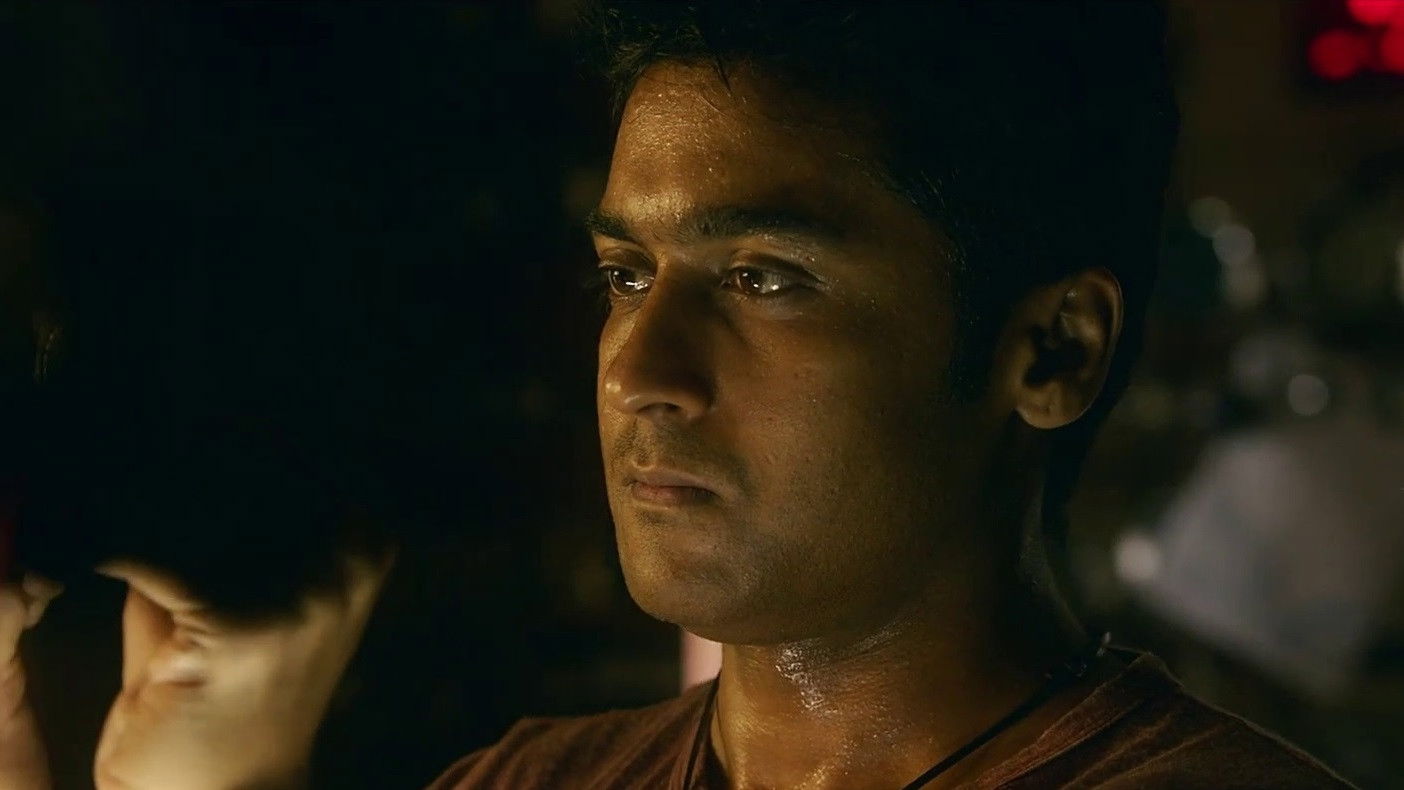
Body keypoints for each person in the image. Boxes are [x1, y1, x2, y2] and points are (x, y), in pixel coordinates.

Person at [0, 2, 1354, 788]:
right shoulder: (530, 782)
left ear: (1050, 351)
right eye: (625, 274)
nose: (637, 369)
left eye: (764, 277)